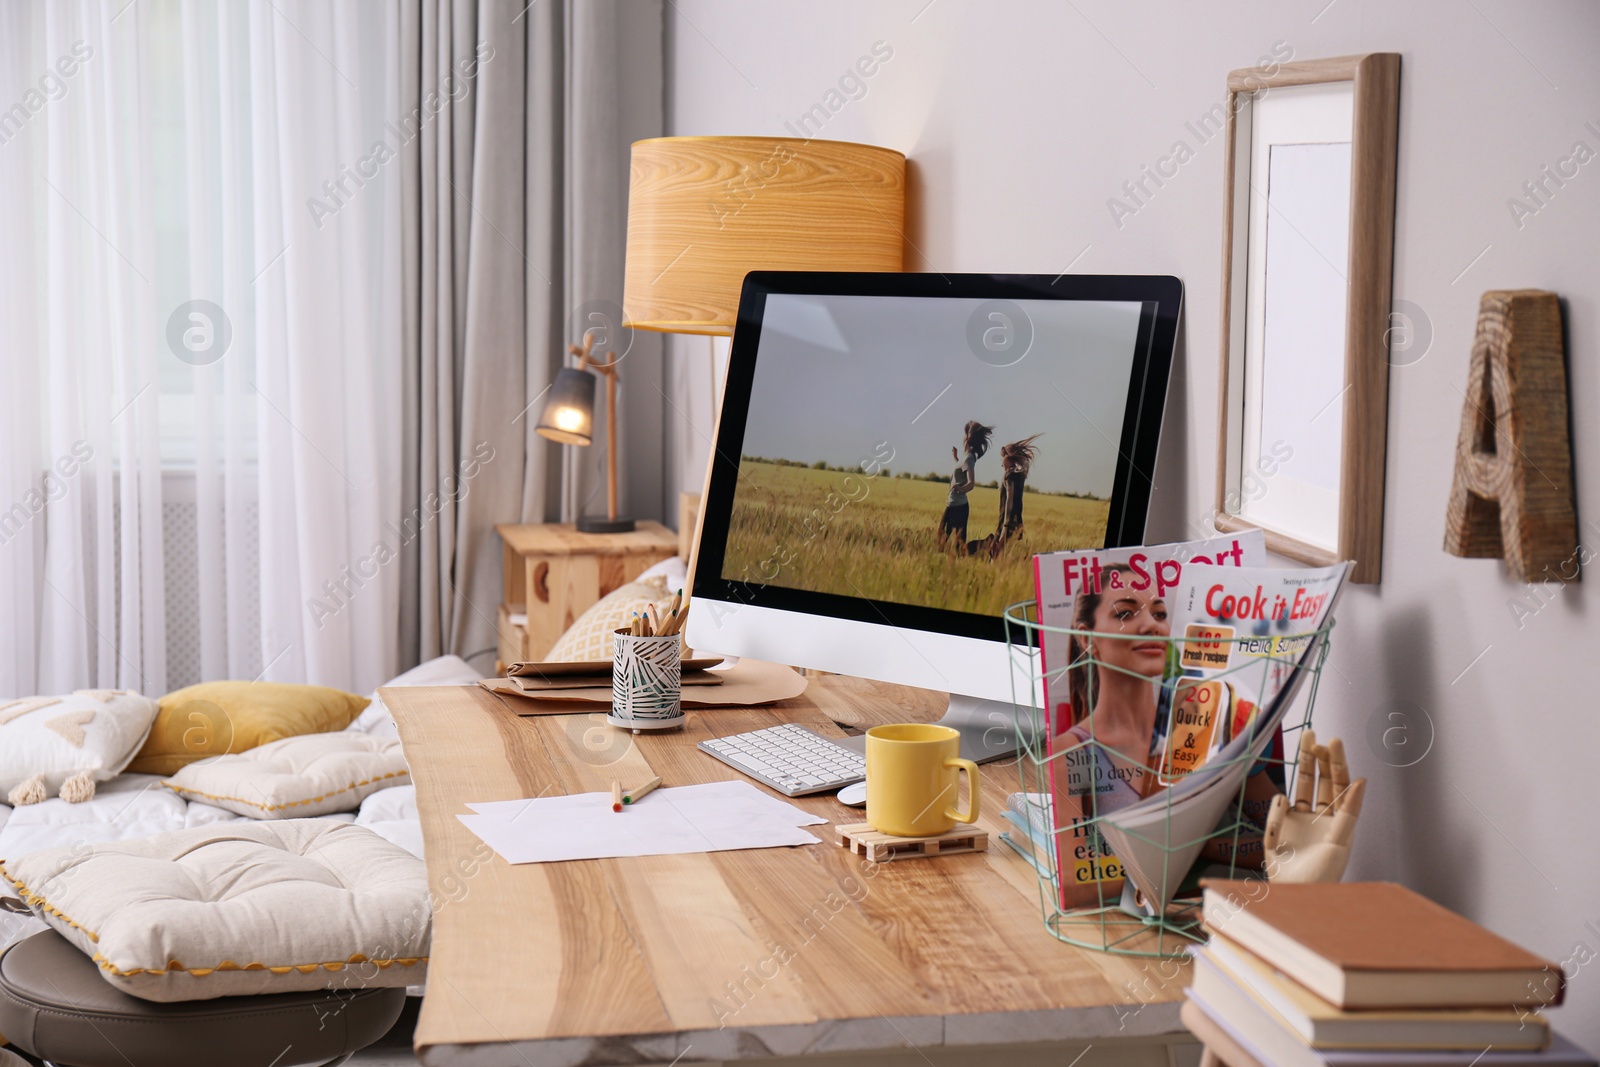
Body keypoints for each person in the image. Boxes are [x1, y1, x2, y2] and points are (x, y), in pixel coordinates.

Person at [1056, 562, 1169, 813]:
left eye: (1159, 614)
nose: (1153, 625)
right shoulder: (1072, 750)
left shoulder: (1199, 730)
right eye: (1125, 614)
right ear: (1087, 638)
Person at [968, 434, 1041, 559]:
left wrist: (1005, 526)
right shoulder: (1020, 476)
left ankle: (983, 551)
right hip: (1016, 520)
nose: (1001, 463)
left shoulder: (1009, 477)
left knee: (995, 551)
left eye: (1002, 458)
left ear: (1009, 458)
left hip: (1007, 521)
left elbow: (1009, 502)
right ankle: (993, 558)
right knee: (998, 551)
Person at [936, 420, 992, 553]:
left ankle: (985, 545)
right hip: (952, 503)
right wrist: (955, 458)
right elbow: (961, 469)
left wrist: (960, 488)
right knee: (943, 535)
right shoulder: (964, 458)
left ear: (967, 437)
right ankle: (983, 545)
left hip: (959, 506)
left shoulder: (969, 459)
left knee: (956, 542)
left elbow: (971, 483)